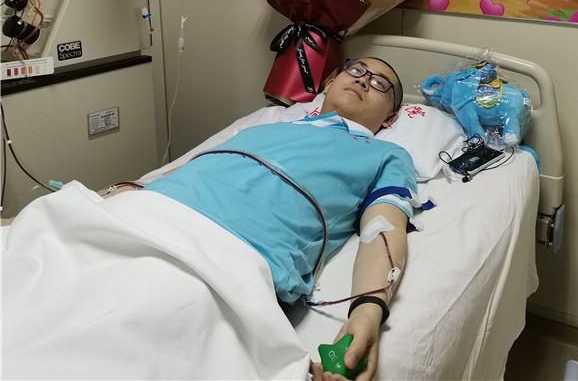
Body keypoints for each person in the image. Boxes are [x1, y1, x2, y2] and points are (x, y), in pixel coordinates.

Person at [3, 57, 413, 381]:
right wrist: (112, 197)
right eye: (357, 70)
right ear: (329, 82)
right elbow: (190, 170)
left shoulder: (385, 155)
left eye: (381, 84)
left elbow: (384, 226)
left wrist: (368, 308)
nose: (364, 80)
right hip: (137, 216)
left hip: (221, 256)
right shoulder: (267, 125)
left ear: (390, 119)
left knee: (91, 341)